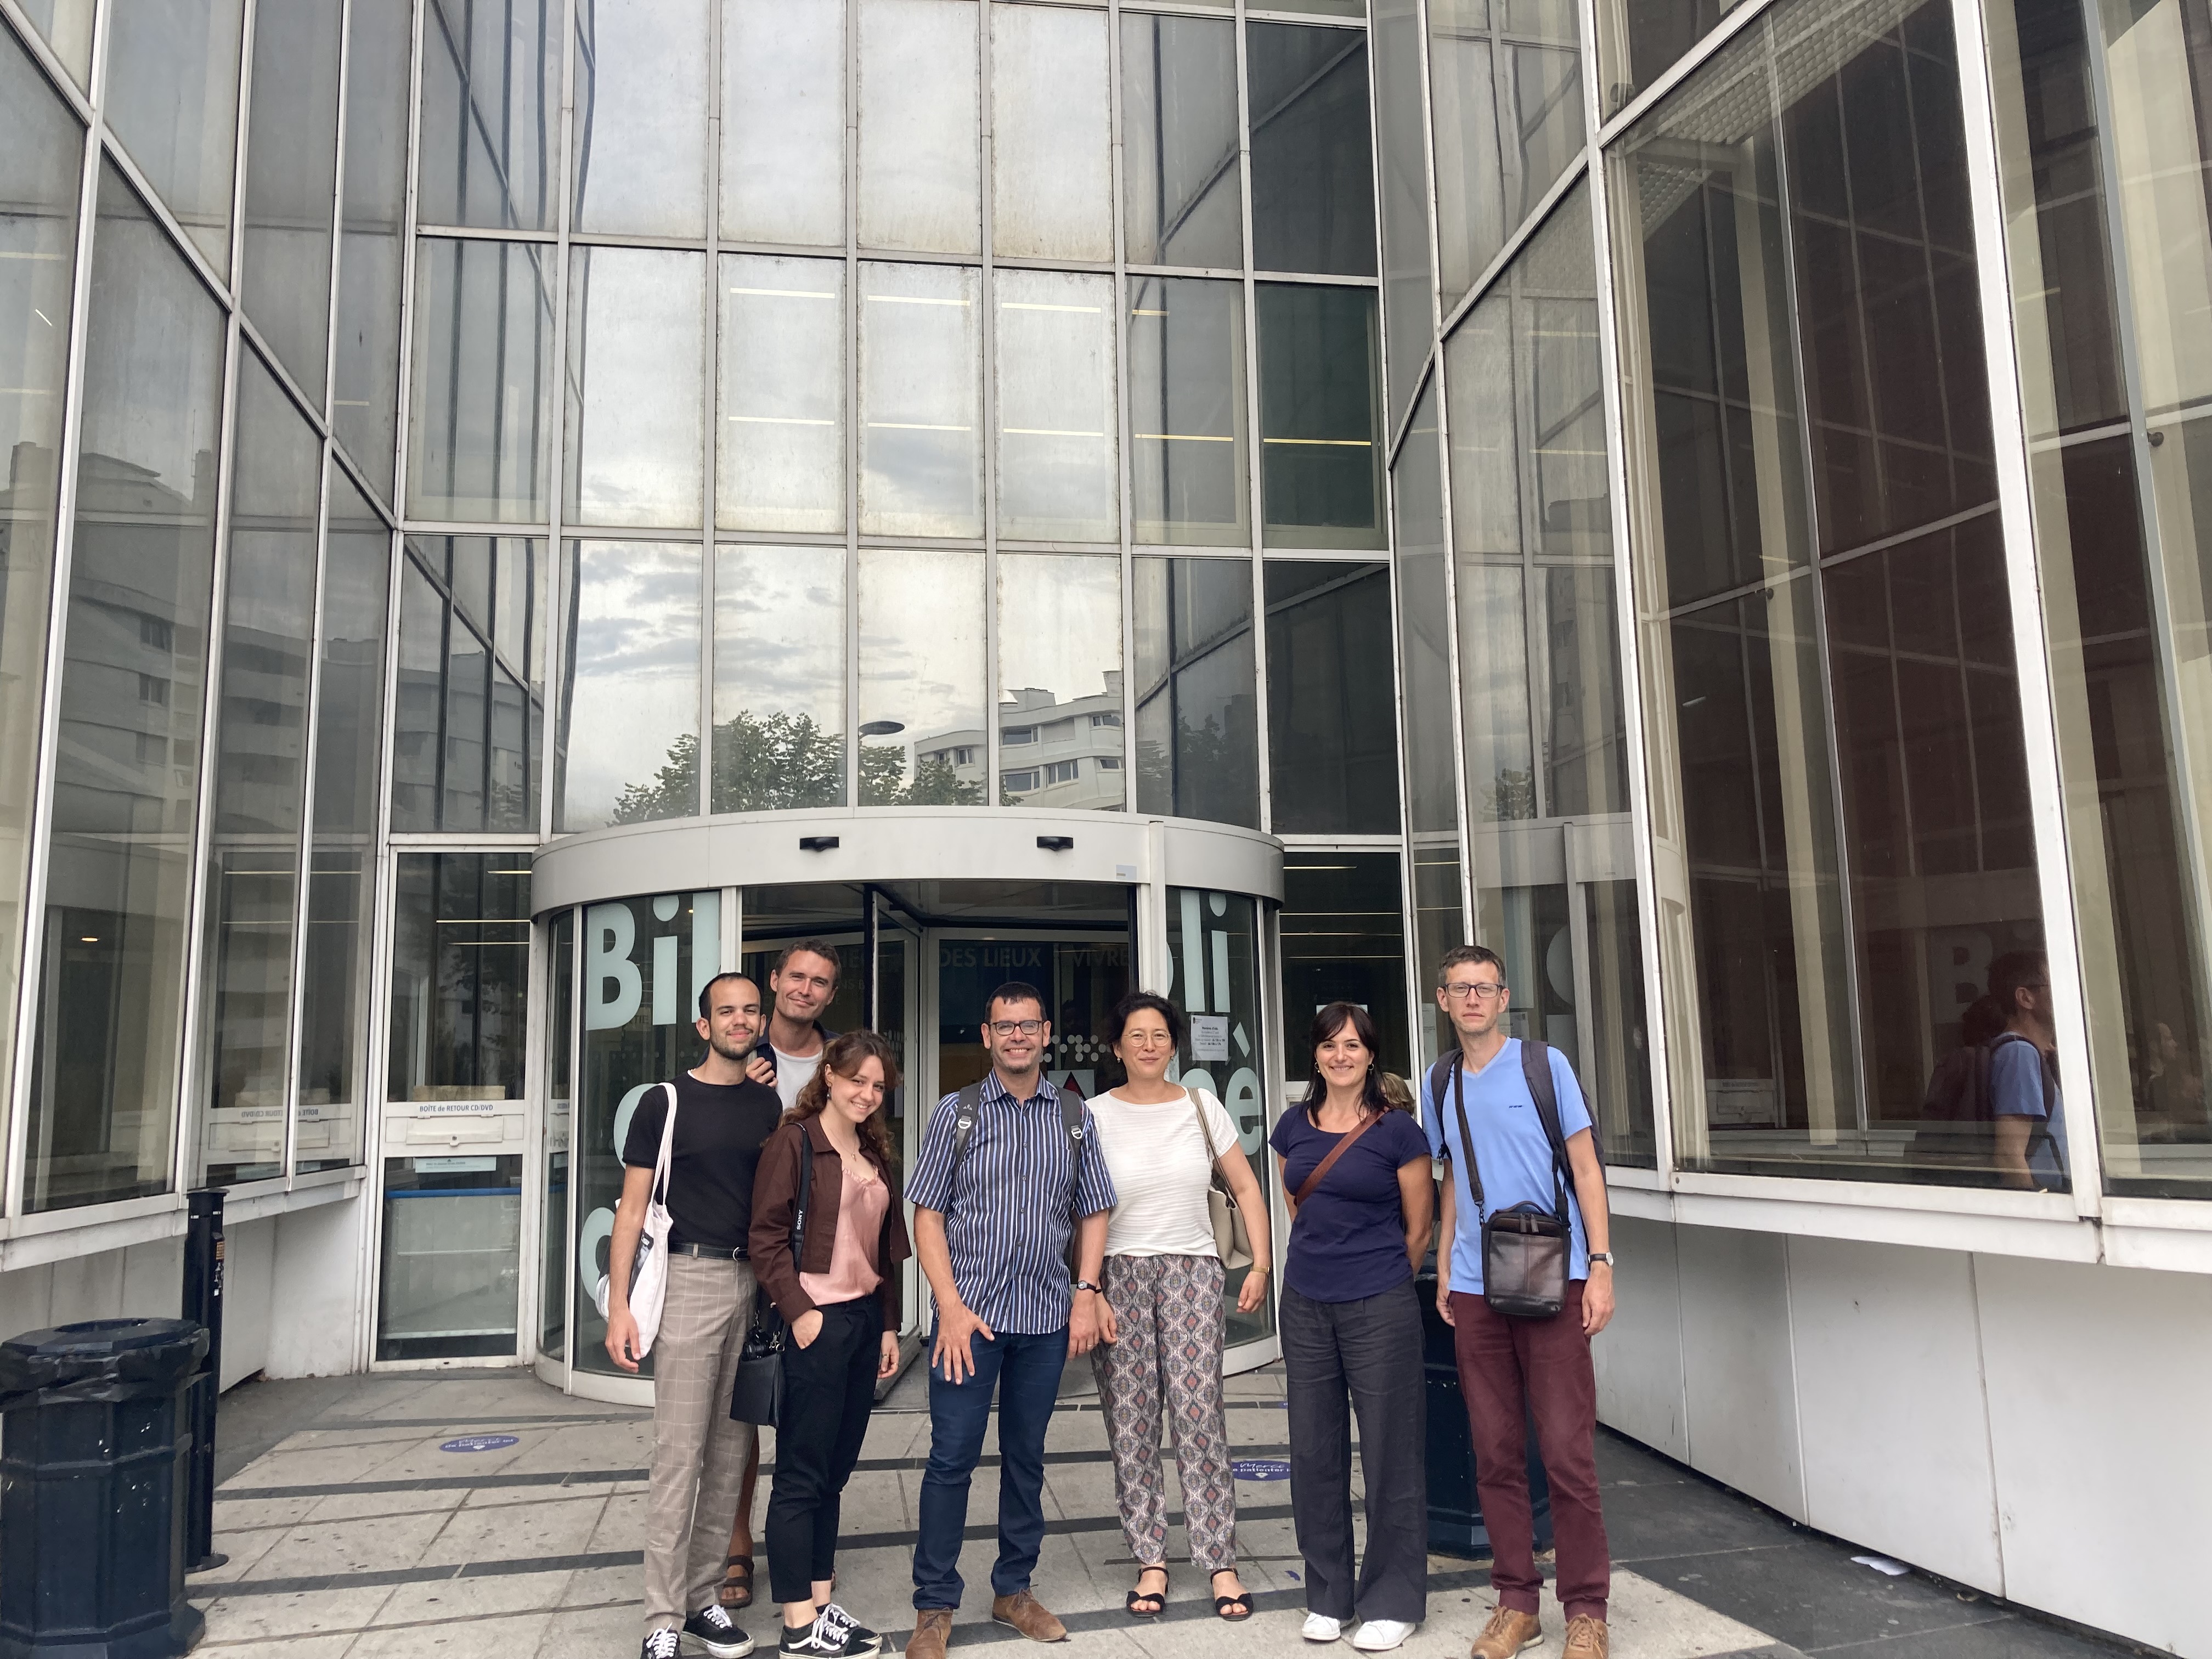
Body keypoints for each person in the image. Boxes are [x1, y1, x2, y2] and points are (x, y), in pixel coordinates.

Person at [903, 982, 1118, 1659]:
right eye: (1005, 1026)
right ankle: (934, 1604)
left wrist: (1086, 1292)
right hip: (968, 1322)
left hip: (1046, 1318)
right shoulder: (957, 1113)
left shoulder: (1075, 1117)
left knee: (1027, 1458)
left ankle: (1013, 1590)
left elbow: (1094, 1210)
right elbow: (927, 1215)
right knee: (951, 1459)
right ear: (987, 1035)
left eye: (1028, 1025)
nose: (1017, 1036)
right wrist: (949, 1306)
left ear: (1047, 1033)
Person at [1425, 945, 1615, 1659]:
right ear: (1443, 1000)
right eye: (1460, 988)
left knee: (1566, 1452)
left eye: (1485, 987)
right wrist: (1445, 1266)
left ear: (1504, 999)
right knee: (1496, 1451)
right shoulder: (1441, 1079)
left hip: (1554, 1278)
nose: (1473, 998)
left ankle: (1587, 1609)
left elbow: (1587, 1169)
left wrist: (1601, 1266)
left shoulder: (1544, 1066)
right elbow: (1452, 1177)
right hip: (1478, 1288)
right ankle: (1516, 1603)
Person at [606, 972, 783, 1659]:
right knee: (679, 1456)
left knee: (732, 1454)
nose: (740, 1020)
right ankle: (661, 1618)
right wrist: (619, 1307)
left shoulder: (767, 1105)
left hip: (751, 1284)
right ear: (704, 1026)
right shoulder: (664, 1102)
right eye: (726, 1012)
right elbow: (631, 1210)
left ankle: (704, 1598)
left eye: (750, 1011)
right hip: (688, 1278)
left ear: (759, 1023)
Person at [1086, 991, 1272, 1623]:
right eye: (1135, 1035)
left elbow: (1245, 1184)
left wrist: (1261, 1264)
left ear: (1174, 1045)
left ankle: (1220, 1560)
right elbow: (1077, 1209)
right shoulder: (1093, 1115)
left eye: (1159, 1035)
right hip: (1119, 1274)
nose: (1148, 1045)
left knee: (1200, 1417)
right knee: (1131, 1422)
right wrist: (1089, 1291)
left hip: (1193, 1272)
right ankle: (1151, 1560)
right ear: (1117, 1047)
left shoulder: (1201, 1105)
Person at [1270, 1001, 1434, 1654]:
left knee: (1392, 1451)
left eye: (1353, 1045)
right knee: (1314, 1451)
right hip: (1306, 1302)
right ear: (1314, 1056)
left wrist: (1379, 1278)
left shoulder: (1399, 1133)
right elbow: (1299, 1207)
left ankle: (1393, 1600)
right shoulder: (1291, 1126)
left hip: (1379, 1305)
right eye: (1330, 1045)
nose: (1341, 1056)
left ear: (1371, 1055)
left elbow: (1418, 1229)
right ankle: (1328, 1595)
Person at [750, 1031, 912, 1658]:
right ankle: (798, 1626)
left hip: (863, 1321)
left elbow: (884, 1252)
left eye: (878, 1086)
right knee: (801, 1473)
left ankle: (820, 1603)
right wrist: (800, 1313)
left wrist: (889, 1324)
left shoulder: (872, 1149)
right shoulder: (795, 1141)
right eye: (857, 1081)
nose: (867, 1094)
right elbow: (765, 1237)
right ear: (830, 1077)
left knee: (835, 1472)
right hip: (816, 1323)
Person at [724, 939, 843, 1608]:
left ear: (831, 994)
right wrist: (744, 1089)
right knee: (743, 1406)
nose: (805, 989)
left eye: (819, 982)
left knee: (812, 1413)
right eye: (796, 976)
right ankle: (737, 1540)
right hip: (749, 1249)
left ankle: (803, 1543)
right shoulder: (741, 1048)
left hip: (819, 1260)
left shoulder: (839, 1063)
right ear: (774, 981)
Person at [1988, 950, 2067, 1191]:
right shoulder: (2019, 1054)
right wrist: (2038, 1208)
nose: (2068, 991)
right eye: (2057, 982)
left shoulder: (2028, 1053)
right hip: (2047, 1204)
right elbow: (2009, 1157)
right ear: (2026, 998)